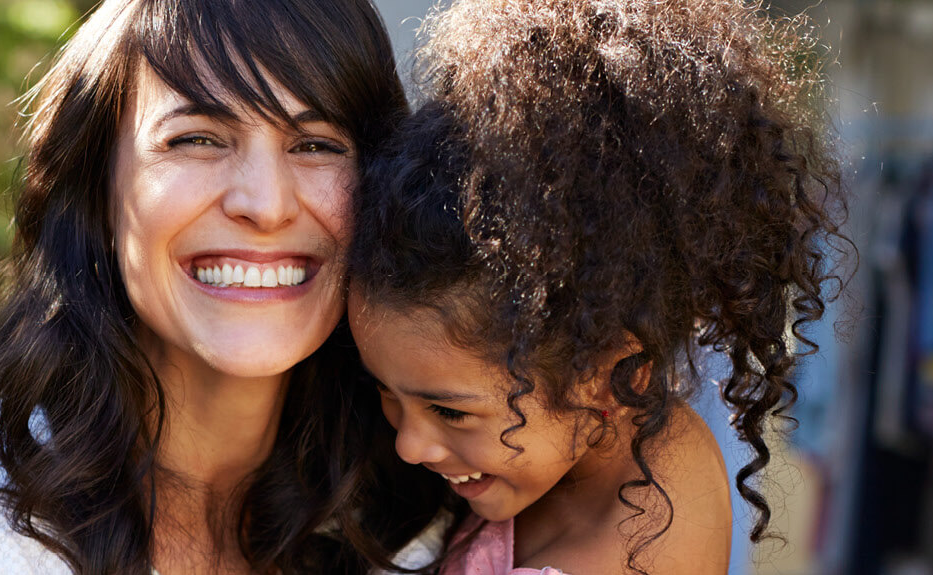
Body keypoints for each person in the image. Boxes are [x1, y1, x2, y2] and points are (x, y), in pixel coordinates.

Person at [0, 0, 451, 573]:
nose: (266, 204)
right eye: (196, 139)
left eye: (317, 145)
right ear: (97, 189)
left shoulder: (426, 514)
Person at [343, 0, 845, 573]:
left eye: (450, 412)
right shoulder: (632, 442)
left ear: (612, 377)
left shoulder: (645, 532)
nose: (409, 446)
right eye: (384, 391)